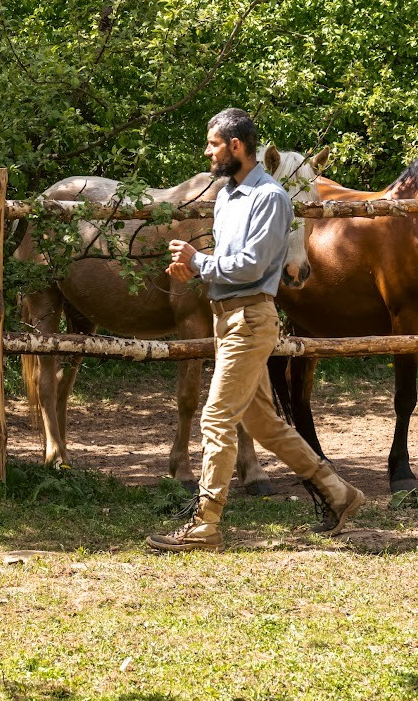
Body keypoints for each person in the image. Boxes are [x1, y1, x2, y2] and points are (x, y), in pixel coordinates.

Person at [147, 108, 365, 553]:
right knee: (263, 423)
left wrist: (199, 261)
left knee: (216, 417)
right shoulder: (228, 196)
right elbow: (229, 263)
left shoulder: (271, 198)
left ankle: (205, 525)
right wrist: (194, 270)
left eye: (212, 144)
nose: (207, 152)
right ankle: (340, 495)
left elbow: (251, 266)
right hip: (225, 317)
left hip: (250, 320)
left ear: (235, 146)